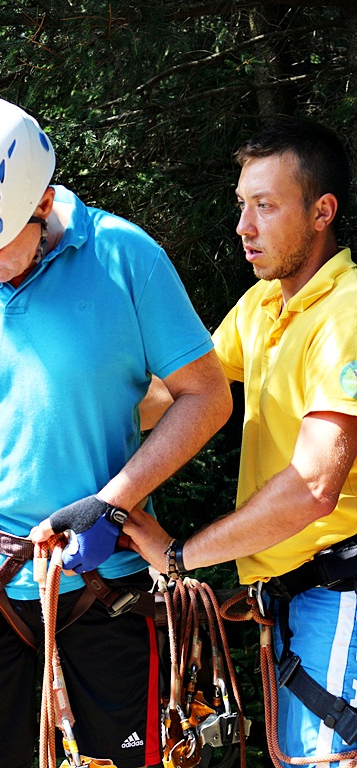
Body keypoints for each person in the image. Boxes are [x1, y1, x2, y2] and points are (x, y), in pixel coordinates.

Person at [0, 94, 232, 768]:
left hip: (102, 576)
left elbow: (206, 396)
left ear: (43, 203)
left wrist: (111, 501)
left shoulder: (125, 258)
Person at [123, 118, 357, 763]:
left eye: (265, 206)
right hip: (299, 599)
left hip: (341, 597)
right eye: (241, 205)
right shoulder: (261, 307)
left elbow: (313, 487)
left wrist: (180, 556)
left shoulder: (347, 315)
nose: (243, 227)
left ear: (322, 212)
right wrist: (72, 414)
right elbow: (178, 397)